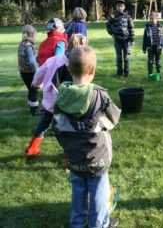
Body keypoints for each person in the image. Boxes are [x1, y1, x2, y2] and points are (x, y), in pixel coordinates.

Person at [52, 46, 121, 228]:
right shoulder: (100, 95)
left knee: (78, 189)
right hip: (97, 158)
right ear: (93, 70)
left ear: (68, 69)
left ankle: (77, 223)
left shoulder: (61, 97)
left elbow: (57, 128)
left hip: (74, 157)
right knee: (99, 191)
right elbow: (113, 120)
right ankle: (99, 224)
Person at [24, 34, 87, 156]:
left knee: (45, 122)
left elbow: (39, 72)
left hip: (50, 100)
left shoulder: (53, 60)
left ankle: (32, 148)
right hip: (67, 104)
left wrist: (36, 84)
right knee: (67, 129)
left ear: (67, 46)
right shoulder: (79, 66)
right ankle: (69, 158)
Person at [106, 0, 135, 78]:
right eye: (118, 6)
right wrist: (111, 33)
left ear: (124, 7)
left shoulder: (128, 17)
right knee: (119, 57)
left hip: (126, 40)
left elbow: (131, 28)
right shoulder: (112, 16)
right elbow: (108, 26)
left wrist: (132, 39)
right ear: (116, 7)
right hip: (117, 40)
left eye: (121, 6)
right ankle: (119, 73)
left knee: (126, 58)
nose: (120, 8)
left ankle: (127, 73)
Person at [17, 25, 41, 116]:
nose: (35, 36)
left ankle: (32, 108)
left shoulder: (21, 44)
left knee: (31, 89)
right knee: (33, 89)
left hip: (23, 71)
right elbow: (31, 61)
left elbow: (28, 58)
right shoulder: (28, 46)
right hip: (30, 71)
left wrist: (38, 57)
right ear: (32, 34)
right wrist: (38, 71)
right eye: (35, 34)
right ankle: (35, 110)